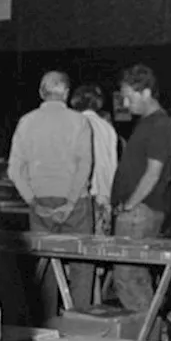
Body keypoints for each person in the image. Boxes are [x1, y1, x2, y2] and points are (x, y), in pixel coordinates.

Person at [8, 70, 95, 317]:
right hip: (75, 202)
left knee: (45, 266)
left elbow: (14, 170)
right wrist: (69, 203)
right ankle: (81, 323)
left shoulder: (26, 122)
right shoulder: (79, 122)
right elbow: (84, 166)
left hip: (40, 202)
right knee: (82, 265)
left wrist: (33, 202)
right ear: (66, 92)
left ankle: (46, 320)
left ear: (41, 93)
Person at [110, 64, 171, 327]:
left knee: (127, 276)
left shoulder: (159, 124)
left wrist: (129, 204)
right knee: (135, 276)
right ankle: (151, 331)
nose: (126, 103)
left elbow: (153, 173)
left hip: (140, 212)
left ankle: (148, 332)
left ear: (146, 92)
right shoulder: (151, 123)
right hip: (139, 210)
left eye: (129, 96)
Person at [70, 83, 119, 236]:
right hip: (104, 195)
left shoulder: (74, 124)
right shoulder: (107, 127)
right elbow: (113, 163)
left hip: (83, 196)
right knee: (100, 246)